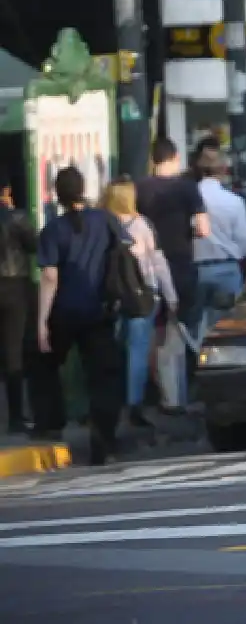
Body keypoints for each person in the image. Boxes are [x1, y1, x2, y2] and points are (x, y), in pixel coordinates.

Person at [27, 167, 124, 464]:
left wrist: (42, 322)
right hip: (100, 311)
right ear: (83, 189)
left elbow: (50, 278)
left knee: (43, 364)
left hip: (64, 312)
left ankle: (50, 423)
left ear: (57, 195)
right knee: (104, 375)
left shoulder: (53, 230)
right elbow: (124, 253)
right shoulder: (106, 220)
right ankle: (103, 432)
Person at [137, 138, 208, 409]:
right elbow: (203, 228)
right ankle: (183, 389)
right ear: (175, 158)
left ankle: (156, 391)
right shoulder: (187, 188)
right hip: (181, 265)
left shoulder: (140, 189)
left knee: (155, 332)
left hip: (149, 270)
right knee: (185, 330)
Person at [100, 179, 178, 426]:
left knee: (113, 350)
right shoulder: (142, 225)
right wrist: (171, 296)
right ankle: (134, 403)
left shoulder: (103, 224)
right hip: (142, 296)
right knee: (138, 351)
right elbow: (157, 263)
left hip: (112, 297)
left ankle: (111, 401)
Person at [193, 145, 246, 347]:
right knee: (226, 330)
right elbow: (245, 242)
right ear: (223, 170)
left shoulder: (189, 198)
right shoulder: (234, 202)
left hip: (194, 269)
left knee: (193, 327)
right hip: (226, 268)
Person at [0, 173, 35, 433]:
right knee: (13, 352)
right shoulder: (18, 218)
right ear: (7, 190)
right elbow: (35, 245)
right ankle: (15, 417)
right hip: (14, 287)